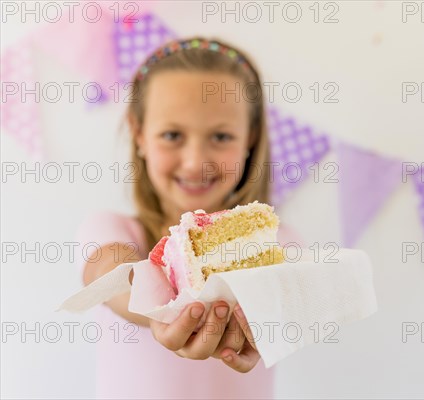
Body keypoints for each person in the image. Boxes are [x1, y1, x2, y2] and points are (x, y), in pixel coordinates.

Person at [77, 36, 299, 399]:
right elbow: (109, 276)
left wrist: (262, 322)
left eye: (221, 136)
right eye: (172, 135)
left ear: (250, 138)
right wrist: (159, 310)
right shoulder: (111, 230)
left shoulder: (279, 242)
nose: (196, 162)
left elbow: (289, 299)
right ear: (139, 134)